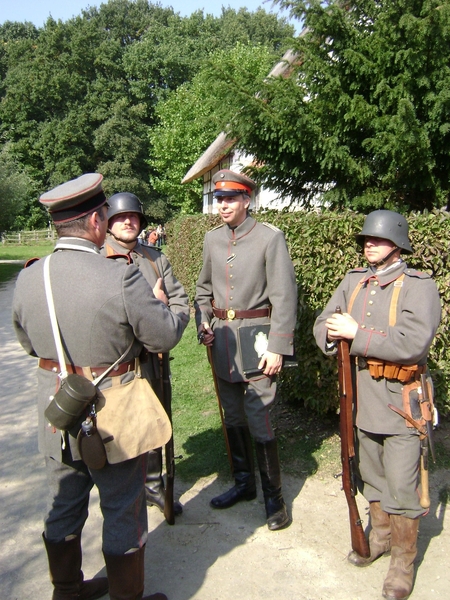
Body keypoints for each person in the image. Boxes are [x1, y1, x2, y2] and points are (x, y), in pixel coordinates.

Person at [12, 173, 185, 600]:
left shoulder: (29, 277)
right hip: (111, 411)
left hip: (57, 409)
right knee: (122, 508)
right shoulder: (121, 277)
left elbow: (28, 342)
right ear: (94, 221)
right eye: (105, 214)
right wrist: (165, 309)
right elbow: (162, 337)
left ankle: (67, 591)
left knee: (64, 503)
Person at [313, 210, 441, 600]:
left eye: (378, 240)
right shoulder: (354, 281)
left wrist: (357, 333)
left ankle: (403, 563)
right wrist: (333, 336)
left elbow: (412, 342)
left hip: (401, 401)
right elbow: (323, 322)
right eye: (366, 240)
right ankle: (380, 537)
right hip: (360, 397)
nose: (369, 244)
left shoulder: (419, 285)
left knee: (402, 485)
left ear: (397, 245)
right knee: (370, 472)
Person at [195, 169, 297, 531]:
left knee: (260, 416)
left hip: (258, 342)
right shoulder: (211, 240)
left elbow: (285, 297)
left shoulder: (270, 238)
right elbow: (202, 290)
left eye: (230, 198)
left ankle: (274, 498)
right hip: (222, 340)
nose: (222, 205)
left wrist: (278, 347)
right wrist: (202, 321)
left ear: (246, 200)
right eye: (218, 199)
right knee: (233, 416)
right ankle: (244, 484)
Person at [102, 192, 189, 517]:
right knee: (120, 423)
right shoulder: (100, 260)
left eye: (134, 217)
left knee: (154, 417)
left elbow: (179, 301)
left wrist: (169, 321)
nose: (128, 222)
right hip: (117, 361)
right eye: (121, 218)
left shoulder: (155, 259)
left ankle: (153, 483)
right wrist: (155, 304)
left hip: (153, 359)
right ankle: (126, 482)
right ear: (109, 223)